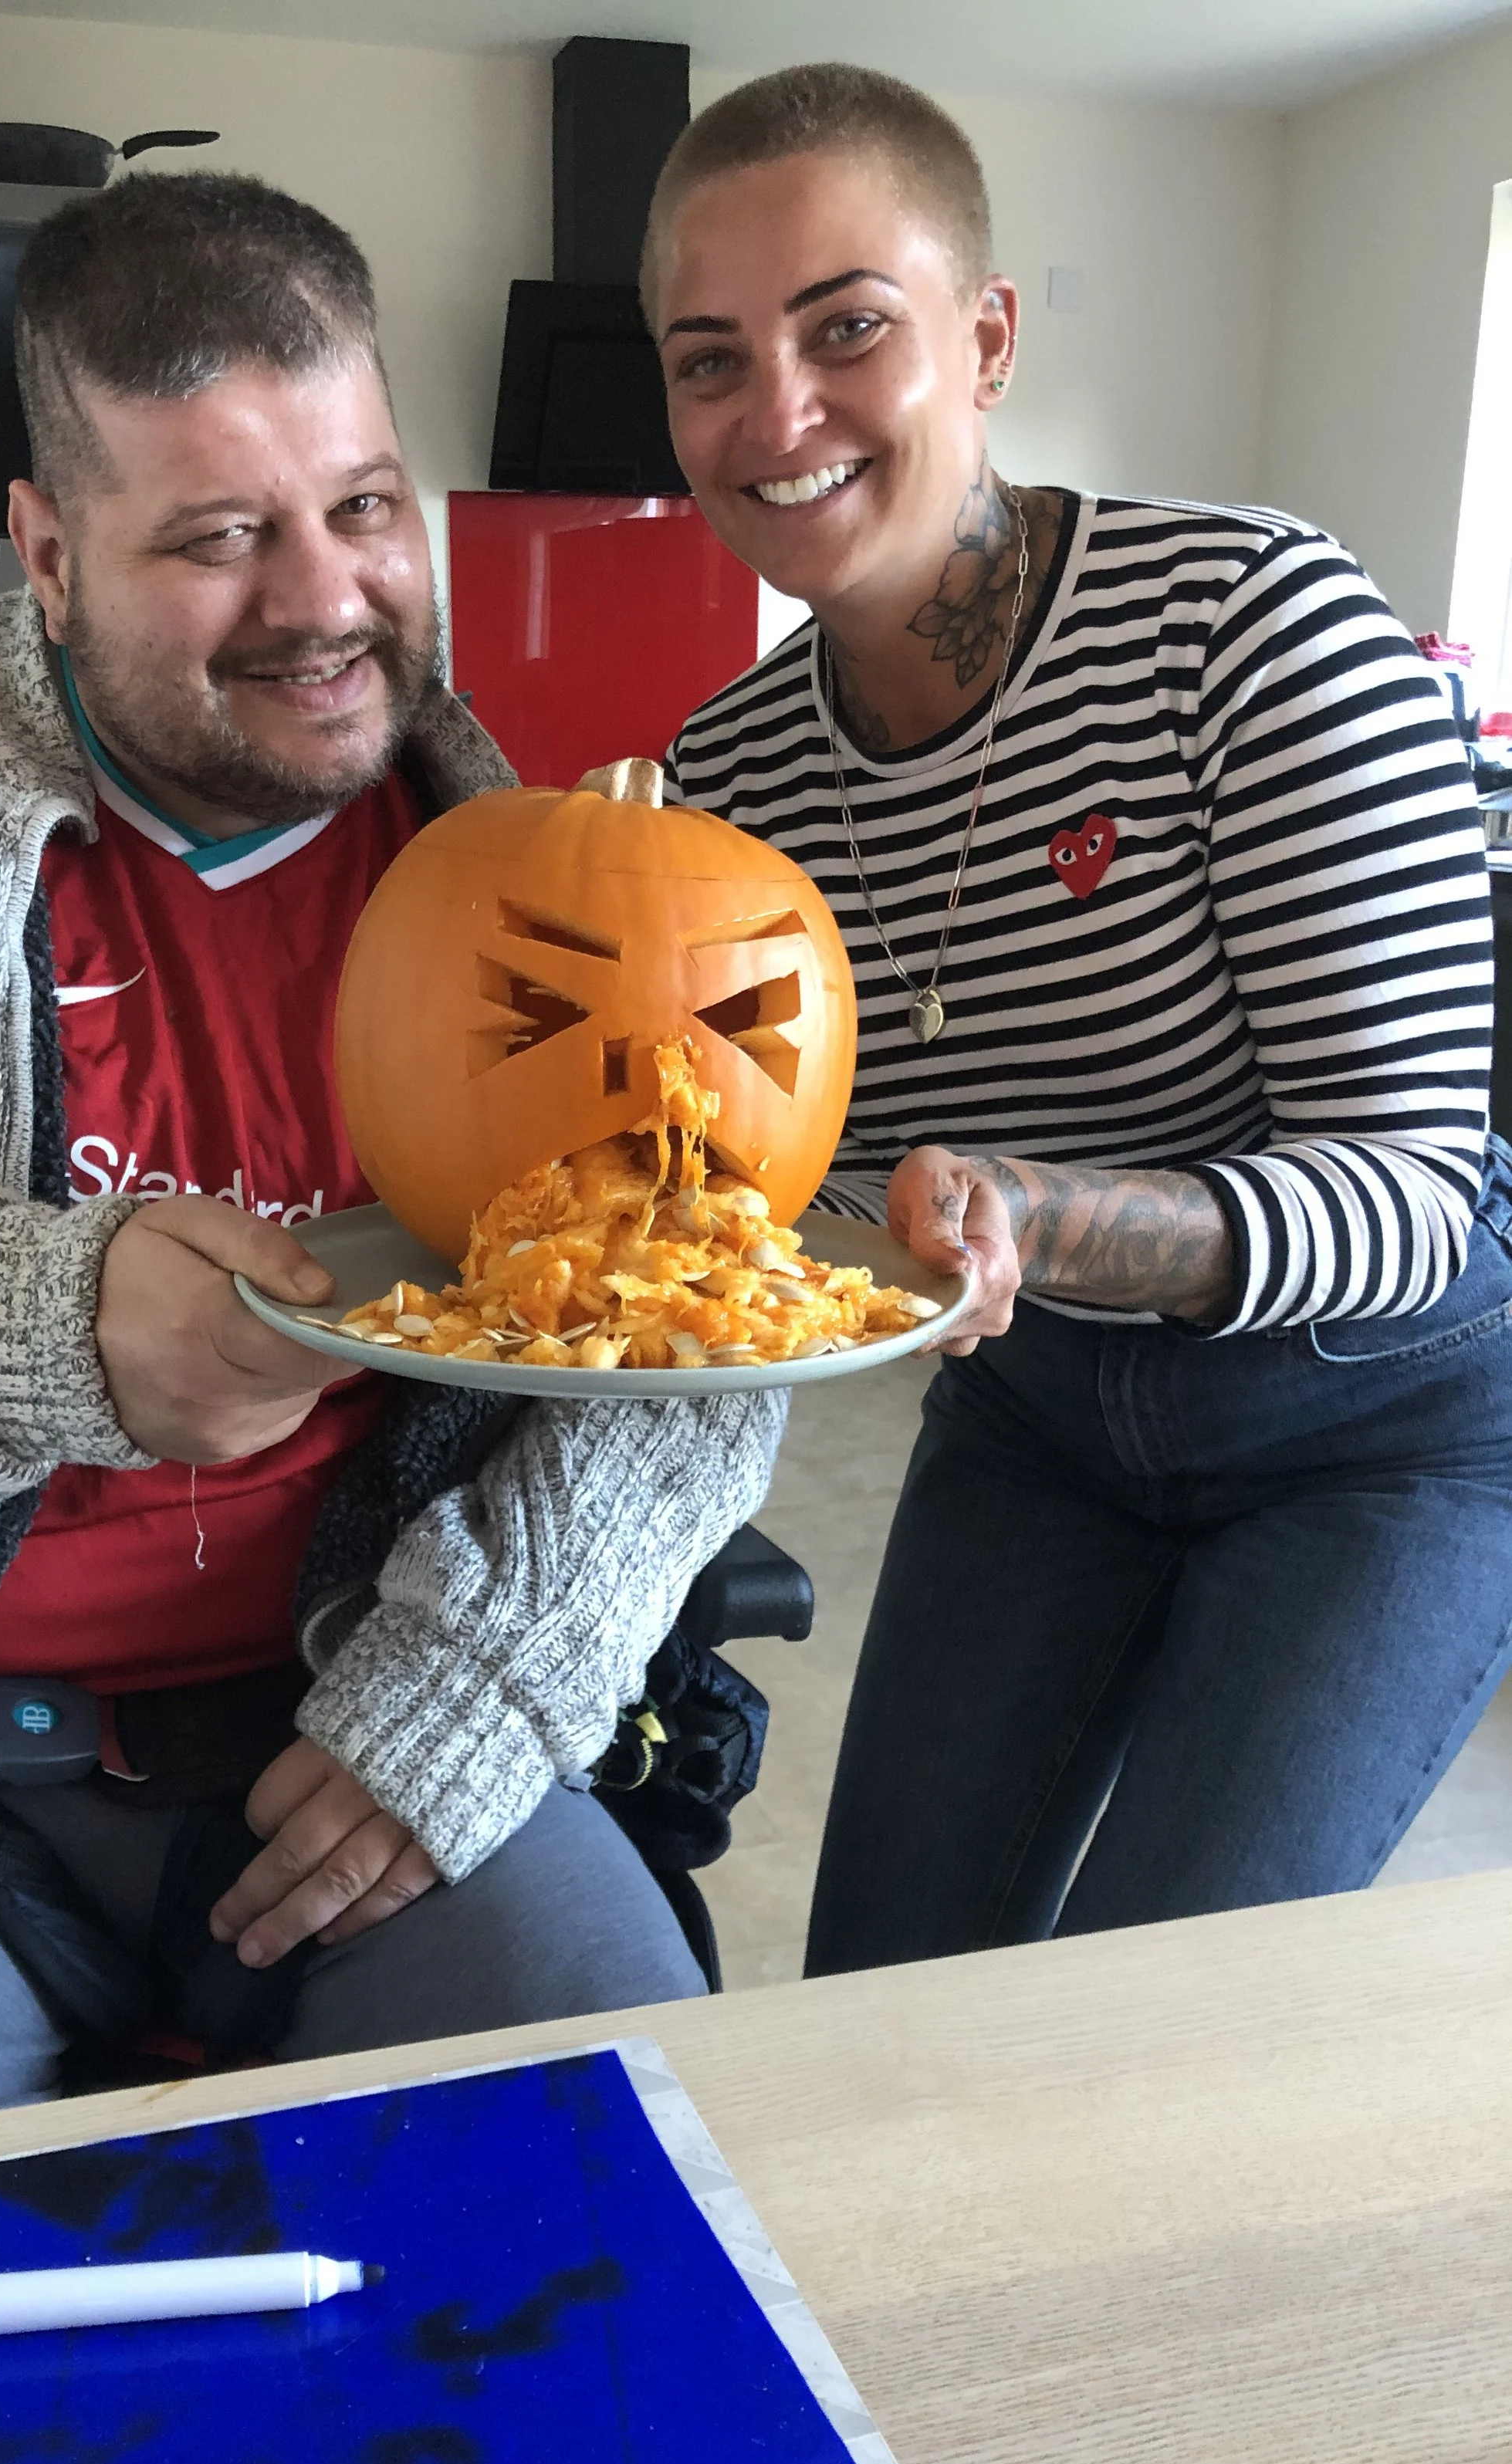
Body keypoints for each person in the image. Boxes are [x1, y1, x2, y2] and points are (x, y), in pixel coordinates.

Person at [0, 174, 783, 2173]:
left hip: (355, 1706)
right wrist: (53, 1322)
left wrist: (479, 1689)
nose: (323, 601)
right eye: (220, 537)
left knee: (633, 2188)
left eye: (365, 507)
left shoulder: (549, 878)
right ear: (44, 551)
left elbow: (691, 1319)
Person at [645, 65, 1512, 1972]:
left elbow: (1405, 1203)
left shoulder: (1253, 631)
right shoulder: (720, 782)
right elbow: (750, 1188)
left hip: (1377, 1424)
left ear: (986, 335)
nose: (773, 415)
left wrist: (1038, 1218)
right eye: (707, 359)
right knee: (880, 1983)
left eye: (845, 328)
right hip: (1039, 1424)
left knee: (1151, 2004)